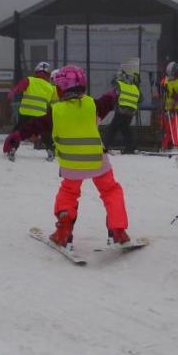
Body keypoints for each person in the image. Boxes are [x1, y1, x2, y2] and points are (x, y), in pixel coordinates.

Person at [44, 64, 133, 250]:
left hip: (71, 165)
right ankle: (118, 231)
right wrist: (113, 93)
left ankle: (63, 232)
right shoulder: (92, 105)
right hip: (97, 161)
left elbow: (36, 126)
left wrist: (17, 135)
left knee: (68, 193)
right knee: (111, 191)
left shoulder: (55, 111)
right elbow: (106, 102)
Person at [3, 62, 56, 161]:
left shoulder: (29, 80)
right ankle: (51, 151)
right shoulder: (49, 87)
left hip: (26, 112)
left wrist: (13, 92)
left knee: (17, 132)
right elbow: (51, 102)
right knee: (45, 133)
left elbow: (20, 87)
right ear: (48, 75)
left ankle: (12, 148)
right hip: (40, 114)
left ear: (36, 71)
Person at [104, 59, 141, 154]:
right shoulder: (134, 87)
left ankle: (104, 146)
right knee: (125, 128)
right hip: (131, 111)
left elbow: (114, 95)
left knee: (112, 128)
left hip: (122, 110)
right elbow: (140, 98)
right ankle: (130, 147)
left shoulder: (120, 84)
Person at [159, 60, 178, 150]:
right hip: (167, 108)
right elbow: (160, 94)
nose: (170, 77)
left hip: (177, 109)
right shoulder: (164, 82)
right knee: (166, 129)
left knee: (175, 127)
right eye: (169, 74)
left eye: (172, 74)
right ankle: (165, 146)